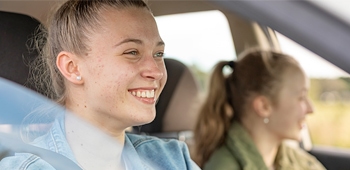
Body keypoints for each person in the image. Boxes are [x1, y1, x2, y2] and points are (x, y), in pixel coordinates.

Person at [0, 0, 200, 169]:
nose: (156, 71)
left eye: (158, 54)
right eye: (132, 52)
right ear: (72, 68)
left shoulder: (173, 159)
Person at [193, 48, 326, 170]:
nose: (311, 109)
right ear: (264, 106)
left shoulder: (298, 161)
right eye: (301, 97)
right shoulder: (223, 166)